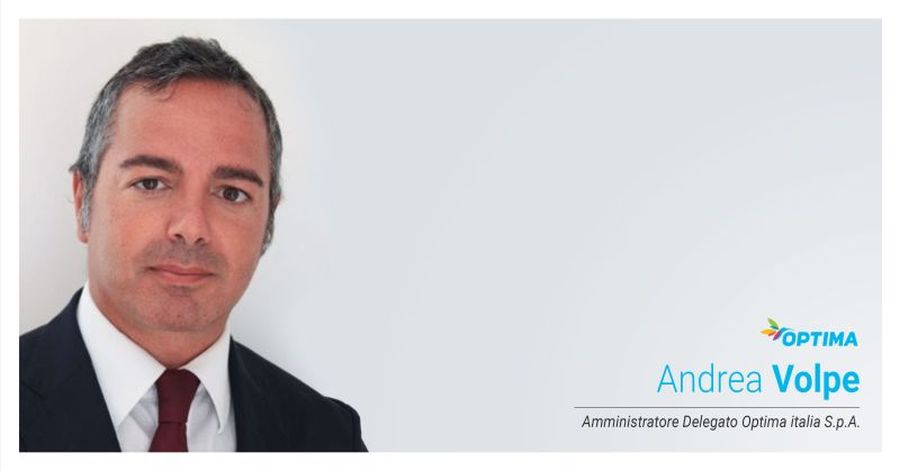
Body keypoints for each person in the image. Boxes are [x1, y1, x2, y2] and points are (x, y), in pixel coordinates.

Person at [19, 37, 367, 452]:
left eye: (231, 193)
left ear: (268, 221)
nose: (191, 227)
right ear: (83, 201)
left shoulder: (330, 438)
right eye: (151, 183)